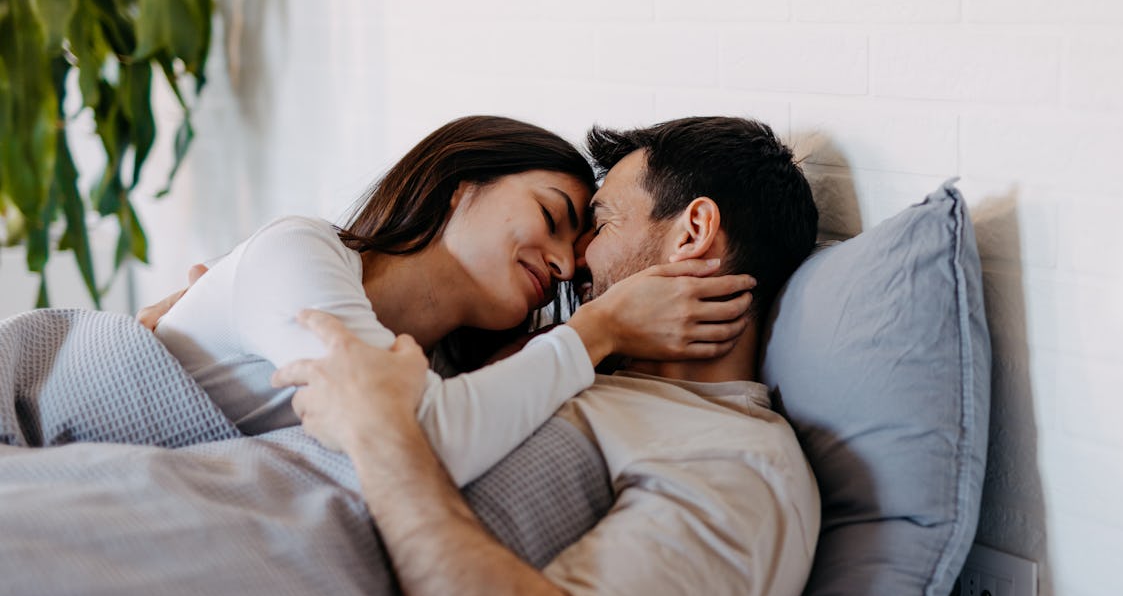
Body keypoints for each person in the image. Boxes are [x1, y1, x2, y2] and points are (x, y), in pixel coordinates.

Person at [273, 116, 823, 596]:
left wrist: (382, 435)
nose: (574, 261)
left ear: (692, 232)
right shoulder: (561, 360)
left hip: (253, 562)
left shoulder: (736, 459)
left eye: (603, 222)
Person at [149, 115, 755, 487]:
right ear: (457, 188)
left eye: (576, 246)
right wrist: (598, 329)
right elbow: (409, 445)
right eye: (552, 216)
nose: (568, 263)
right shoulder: (298, 253)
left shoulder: (444, 372)